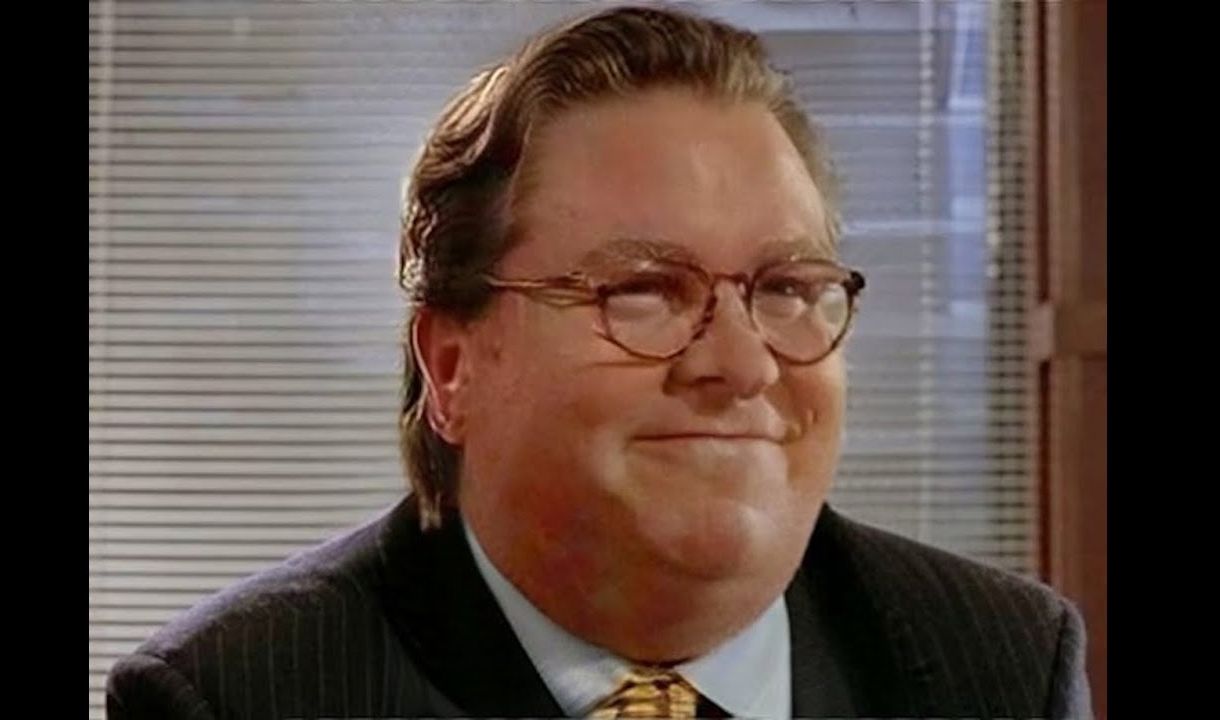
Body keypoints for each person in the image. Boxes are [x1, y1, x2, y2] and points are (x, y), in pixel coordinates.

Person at [105, 5, 1093, 719]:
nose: (742, 365)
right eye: (645, 290)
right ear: (452, 367)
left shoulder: (1001, 669)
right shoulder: (236, 696)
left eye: (787, 288)